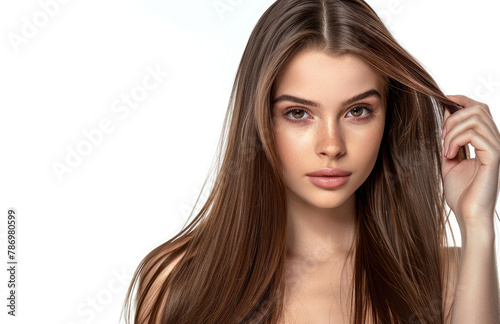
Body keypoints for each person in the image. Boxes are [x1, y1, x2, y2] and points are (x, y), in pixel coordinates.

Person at [121, 0, 500, 323]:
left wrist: (477, 221)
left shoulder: (446, 279)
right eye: (299, 114)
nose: (331, 146)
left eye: (357, 111)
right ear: (259, 121)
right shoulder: (179, 281)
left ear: (389, 118)